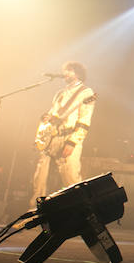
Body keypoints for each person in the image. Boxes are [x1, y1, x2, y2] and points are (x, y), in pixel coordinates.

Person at [31, 61, 96, 205]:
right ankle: (36, 211)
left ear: (78, 73)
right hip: (51, 138)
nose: (65, 73)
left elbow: (85, 119)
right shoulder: (59, 93)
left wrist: (73, 141)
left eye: (70, 70)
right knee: (40, 178)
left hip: (68, 137)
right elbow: (52, 113)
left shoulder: (87, 93)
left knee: (71, 179)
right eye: (65, 70)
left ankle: (82, 213)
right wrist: (46, 119)